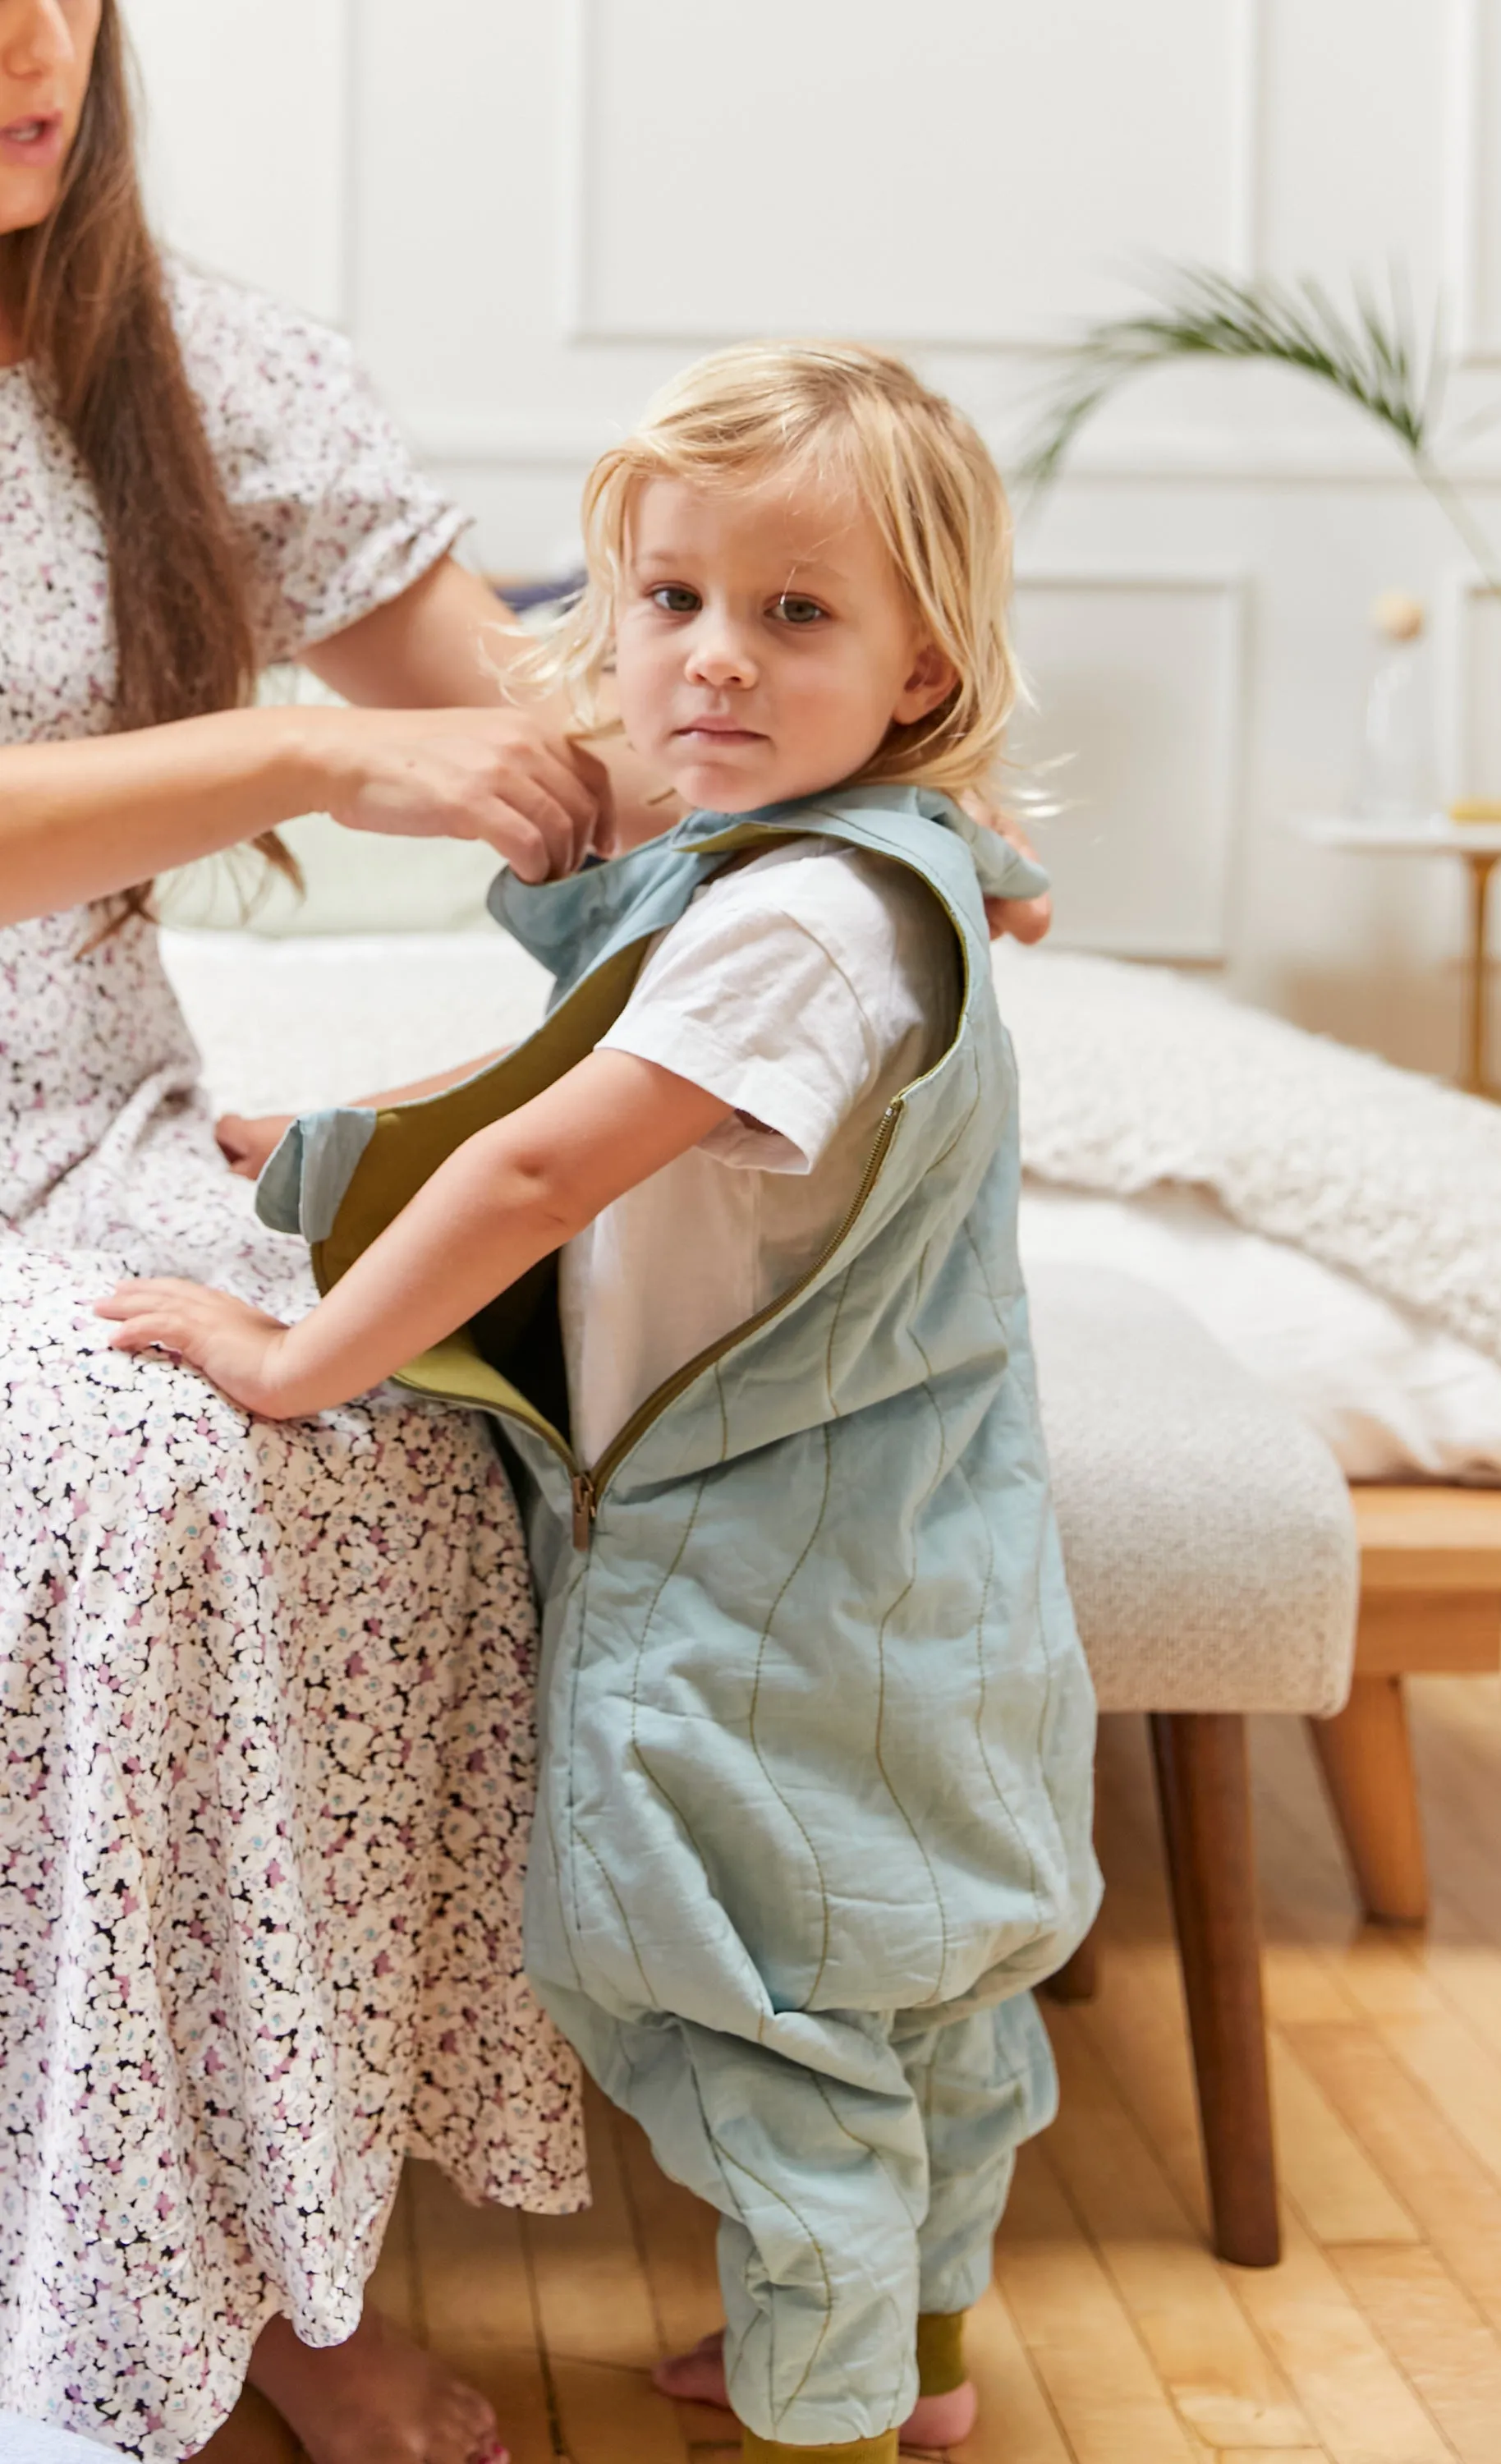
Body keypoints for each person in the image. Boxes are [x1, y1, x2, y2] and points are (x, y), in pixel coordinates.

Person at [101, 341, 1102, 2464]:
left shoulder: (801, 928)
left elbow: (540, 1169)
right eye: (667, 603)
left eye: (796, 615)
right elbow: (549, 1091)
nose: (713, 663)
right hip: (921, 1566)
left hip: (772, 1583)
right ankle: (907, 2371)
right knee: (912, 1993)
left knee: (743, 1995)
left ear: (923, 669)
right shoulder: (836, 873)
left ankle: (831, 2411)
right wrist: (298, 1138)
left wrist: (297, 1351)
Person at [0, 5, 622, 2458]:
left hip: (95, 1134)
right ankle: (174, 2267)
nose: (30, 48)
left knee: (350, 1431)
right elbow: (363, 742)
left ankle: (278, 2243)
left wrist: (858, 820)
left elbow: (530, 744)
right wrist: (300, 746)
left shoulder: (216, 371)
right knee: (137, 1492)